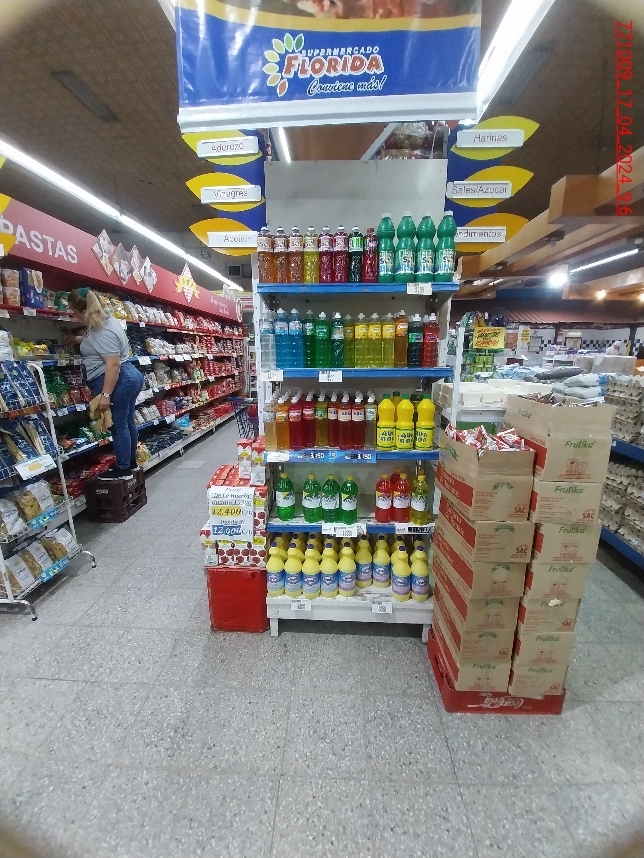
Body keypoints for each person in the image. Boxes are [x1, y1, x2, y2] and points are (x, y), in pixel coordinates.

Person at [67, 287, 144, 480]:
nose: (74, 316)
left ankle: (123, 469)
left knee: (118, 426)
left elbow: (113, 365)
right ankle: (131, 462)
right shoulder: (106, 321)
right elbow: (99, 344)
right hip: (130, 375)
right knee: (127, 422)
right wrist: (77, 339)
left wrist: (106, 395)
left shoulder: (102, 330)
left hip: (119, 380)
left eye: (74, 312)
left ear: (84, 311)